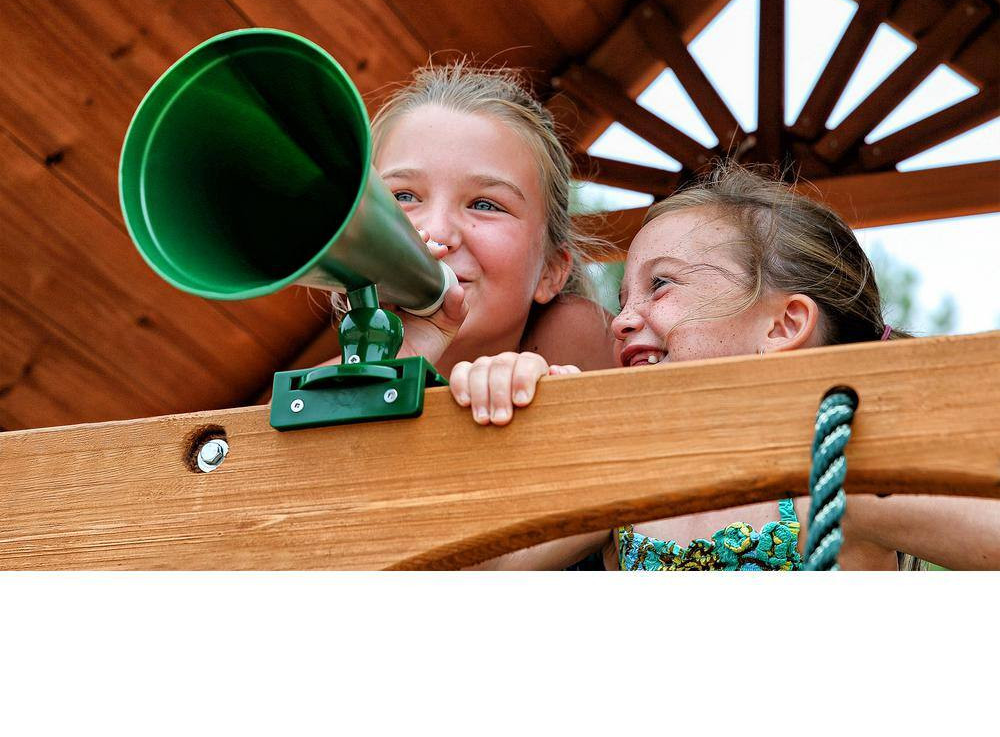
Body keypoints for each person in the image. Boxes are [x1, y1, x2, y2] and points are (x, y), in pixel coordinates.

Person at [449, 161, 1000, 570]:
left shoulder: (835, 476)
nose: (620, 321)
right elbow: (469, 574)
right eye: (622, 300)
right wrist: (536, 428)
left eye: (660, 285)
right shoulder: (626, 487)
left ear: (782, 326)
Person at [316, 61, 616, 406]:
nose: (436, 231)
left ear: (550, 271)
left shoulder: (578, 334)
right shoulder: (323, 390)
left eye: (485, 205)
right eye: (403, 197)